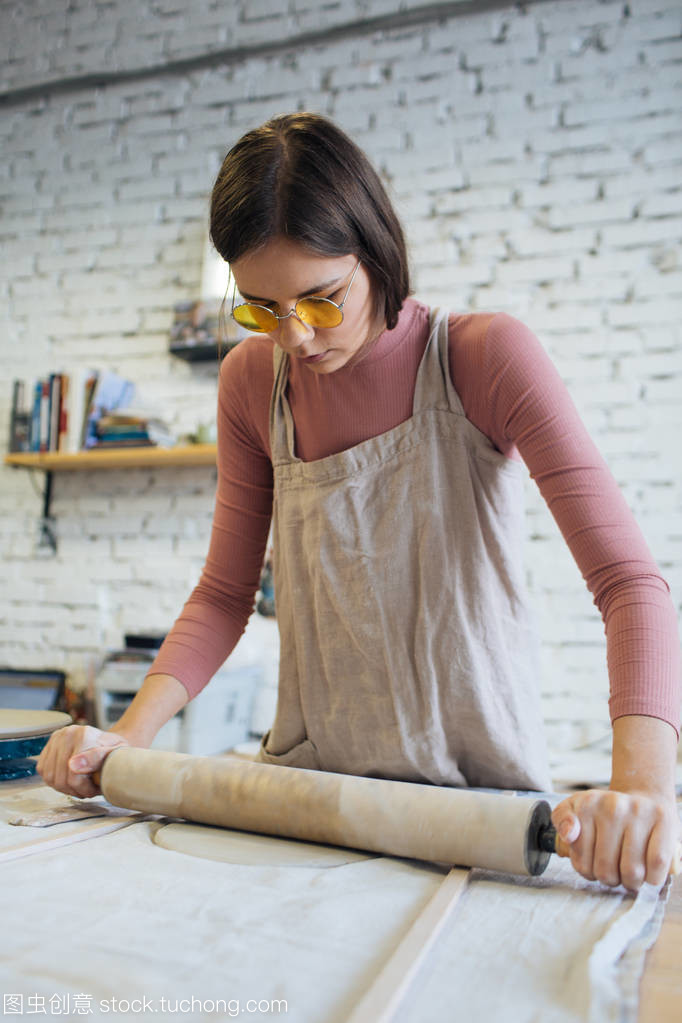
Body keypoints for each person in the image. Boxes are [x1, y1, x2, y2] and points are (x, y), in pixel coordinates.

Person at [38, 112, 680, 891]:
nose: (297, 339)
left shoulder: (481, 358)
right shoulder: (252, 383)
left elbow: (628, 583)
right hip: (307, 801)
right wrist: (122, 742)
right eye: (261, 308)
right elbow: (223, 594)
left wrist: (643, 790)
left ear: (374, 249)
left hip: (478, 812)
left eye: (321, 298)